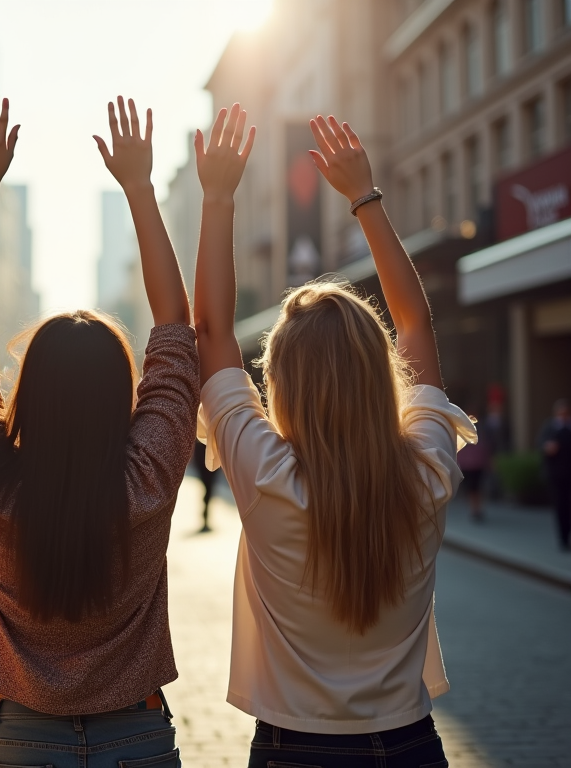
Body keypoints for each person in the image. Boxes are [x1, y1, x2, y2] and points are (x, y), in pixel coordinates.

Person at [194, 108, 475, 767]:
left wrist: (217, 197)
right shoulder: (424, 474)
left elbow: (210, 333)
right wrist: (364, 197)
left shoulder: (266, 476)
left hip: (294, 750)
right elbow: (415, 327)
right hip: (408, 745)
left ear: (283, 384)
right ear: (379, 374)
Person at [0, 95, 198, 767]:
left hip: (18, 739)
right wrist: (141, 188)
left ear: (29, 393)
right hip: (137, 738)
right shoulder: (147, 479)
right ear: (122, 394)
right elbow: (176, 326)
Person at [538, 398, 571, 551]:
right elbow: (540, 444)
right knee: (560, 506)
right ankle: (563, 538)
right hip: (556, 473)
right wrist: (548, 448)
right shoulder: (550, 427)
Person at [456, 407, 491, 522]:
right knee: (471, 488)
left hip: (478, 463)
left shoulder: (482, 429)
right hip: (467, 464)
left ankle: (477, 509)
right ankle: (474, 509)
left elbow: (486, 445)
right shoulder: (462, 428)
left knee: (477, 487)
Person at [192, 439, 216, 532]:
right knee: (208, 490)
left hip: (207, 466)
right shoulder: (201, 442)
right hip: (205, 466)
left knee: (208, 490)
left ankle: (205, 518)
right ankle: (205, 518)